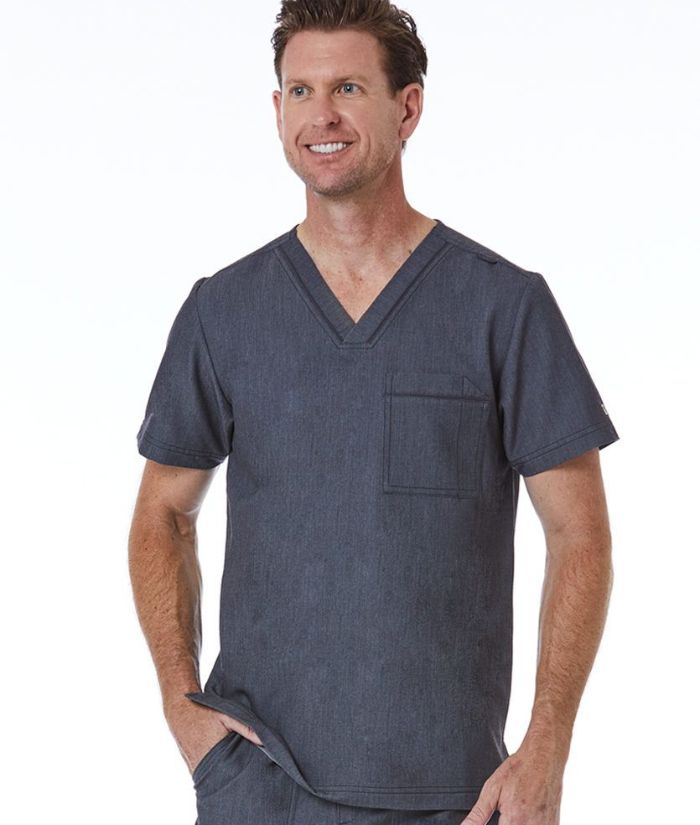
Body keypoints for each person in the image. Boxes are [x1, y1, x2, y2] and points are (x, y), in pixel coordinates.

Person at [129, 2, 620, 824]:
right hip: (259, 786)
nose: (321, 114)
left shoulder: (503, 309)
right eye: (301, 91)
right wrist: (186, 714)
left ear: (408, 107)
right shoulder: (225, 311)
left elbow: (580, 533)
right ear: (277, 109)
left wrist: (548, 746)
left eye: (349, 88)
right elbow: (162, 514)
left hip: (456, 796)